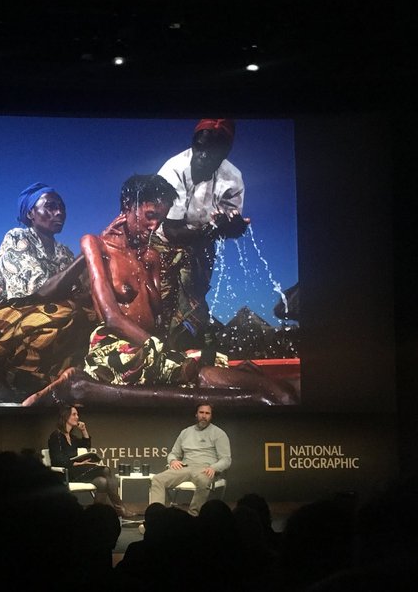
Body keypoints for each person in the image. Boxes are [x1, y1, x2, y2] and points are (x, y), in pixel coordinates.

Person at [24, 174, 294, 407]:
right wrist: (165, 352)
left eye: (160, 219)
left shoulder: (151, 256)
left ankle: (268, 394)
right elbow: (111, 317)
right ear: (128, 206)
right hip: (116, 348)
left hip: (152, 347)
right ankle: (258, 399)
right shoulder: (96, 244)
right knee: (211, 377)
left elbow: (159, 319)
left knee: (228, 370)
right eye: (150, 216)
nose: (154, 226)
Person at [0, 182, 93, 402]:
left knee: (88, 316)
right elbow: (42, 293)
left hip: (37, 317)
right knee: (65, 312)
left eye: (61, 207)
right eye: (50, 206)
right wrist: (86, 254)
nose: (59, 212)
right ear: (31, 213)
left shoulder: (63, 252)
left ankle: (28, 379)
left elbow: (79, 292)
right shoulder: (17, 238)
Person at [154, 118, 251, 351]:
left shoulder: (233, 178)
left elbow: (230, 228)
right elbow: (171, 229)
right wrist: (211, 231)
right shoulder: (173, 169)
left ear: (225, 152)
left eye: (212, 152)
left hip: (201, 246)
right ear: (193, 143)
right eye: (199, 148)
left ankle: (186, 350)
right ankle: (162, 349)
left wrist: (235, 227)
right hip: (163, 243)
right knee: (161, 304)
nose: (203, 156)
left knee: (194, 303)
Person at [148, 403, 230, 516]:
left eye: (207, 413)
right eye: (201, 412)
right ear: (196, 414)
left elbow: (226, 459)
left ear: (211, 416)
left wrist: (214, 468)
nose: (204, 416)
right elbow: (173, 453)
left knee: (203, 481)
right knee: (158, 479)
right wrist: (173, 461)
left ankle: (193, 516)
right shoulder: (185, 432)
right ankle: (156, 516)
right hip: (185, 467)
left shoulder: (219, 433)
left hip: (205, 469)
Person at [47, 403, 128, 517]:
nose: (77, 417)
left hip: (77, 472)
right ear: (65, 416)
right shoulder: (56, 436)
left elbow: (86, 445)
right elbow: (57, 460)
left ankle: (95, 515)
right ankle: (121, 509)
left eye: (77, 414)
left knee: (102, 482)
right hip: (66, 474)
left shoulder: (72, 437)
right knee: (105, 469)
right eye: (74, 414)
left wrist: (84, 430)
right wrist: (77, 463)